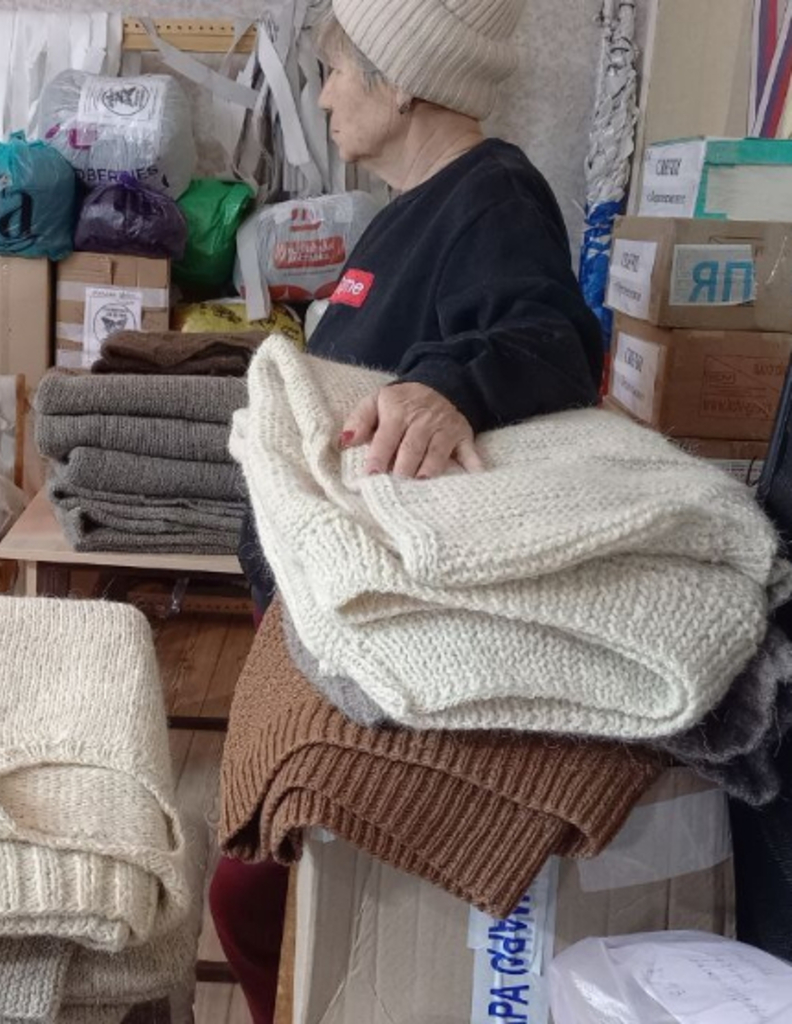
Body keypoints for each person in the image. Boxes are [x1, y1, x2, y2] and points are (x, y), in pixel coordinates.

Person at [221, 0, 604, 1020]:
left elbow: (551, 341)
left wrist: (448, 389)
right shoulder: (403, 210)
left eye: (338, 72)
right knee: (255, 885)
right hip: (314, 615)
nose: (324, 96)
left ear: (400, 82)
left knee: (248, 896)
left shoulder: (494, 197)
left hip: (384, 640)